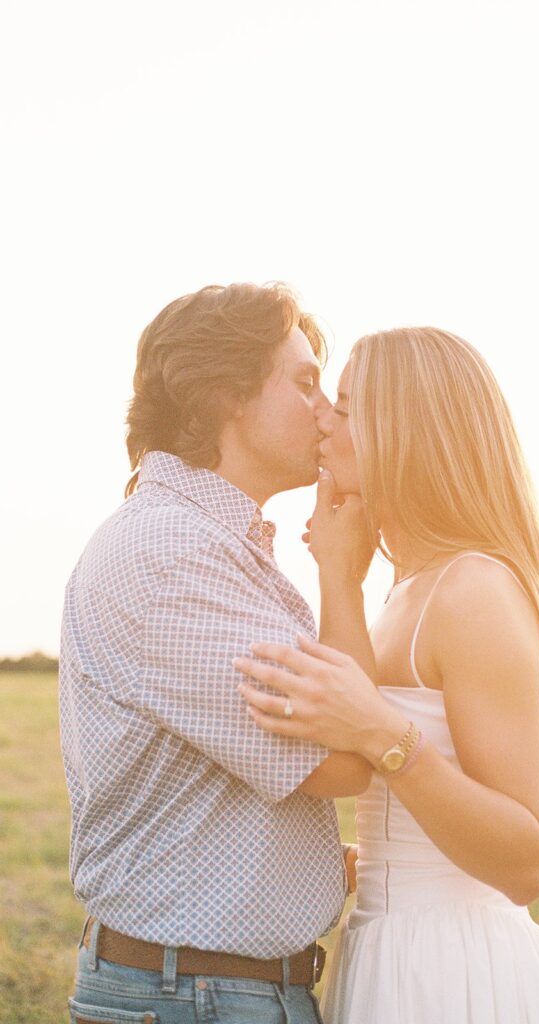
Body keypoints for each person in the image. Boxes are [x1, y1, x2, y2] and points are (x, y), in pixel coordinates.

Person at [236, 326, 539, 1023]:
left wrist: (381, 734)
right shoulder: (406, 590)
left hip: (455, 972)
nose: (321, 418)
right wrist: (339, 578)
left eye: (343, 405)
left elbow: (528, 863)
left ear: (401, 432)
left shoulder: (471, 591)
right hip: (381, 948)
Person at [58, 281, 371, 1024]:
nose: (325, 409)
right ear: (226, 394)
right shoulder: (172, 553)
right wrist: (341, 575)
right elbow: (339, 760)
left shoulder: (211, 547)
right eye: (303, 383)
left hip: (206, 992)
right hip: (196, 1000)